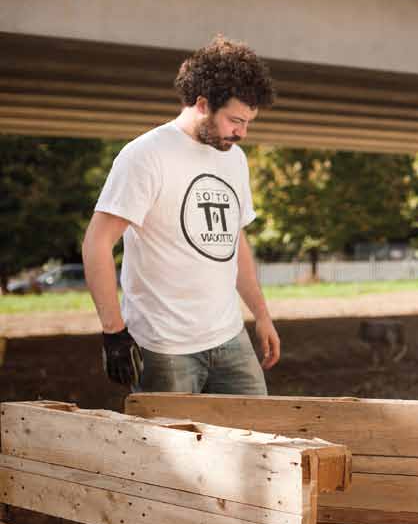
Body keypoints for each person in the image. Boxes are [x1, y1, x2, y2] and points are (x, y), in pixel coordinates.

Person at [82, 36, 280, 394]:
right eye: (235, 120)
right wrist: (113, 333)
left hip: (229, 337)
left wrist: (262, 315)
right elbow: (97, 243)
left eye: (248, 122)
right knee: (172, 447)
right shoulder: (145, 155)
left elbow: (235, 243)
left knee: (258, 441)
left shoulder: (233, 158)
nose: (242, 133)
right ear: (203, 104)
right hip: (164, 348)